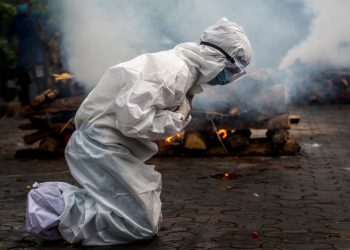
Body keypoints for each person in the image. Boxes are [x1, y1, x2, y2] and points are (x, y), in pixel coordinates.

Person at [26, 18, 252, 245]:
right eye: (232, 70)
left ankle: (58, 210)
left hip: (111, 146)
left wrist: (175, 118)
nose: (230, 78)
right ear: (217, 58)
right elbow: (131, 120)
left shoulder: (184, 73)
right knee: (138, 224)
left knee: (143, 218)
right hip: (100, 145)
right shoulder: (173, 71)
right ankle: (50, 204)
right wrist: (176, 119)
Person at [6, 0, 50, 105]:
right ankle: (25, 106)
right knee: (23, 82)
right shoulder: (16, 19)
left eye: (23, 3)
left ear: (29, 5)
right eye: (19, 4)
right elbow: (8, 35)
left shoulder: (37, 17)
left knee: (41, 81)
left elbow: (48, 31)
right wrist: (14, 47)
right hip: (23, 56)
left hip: (38, 55)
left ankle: (43, 104)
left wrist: (42, 29)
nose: (21, 6)